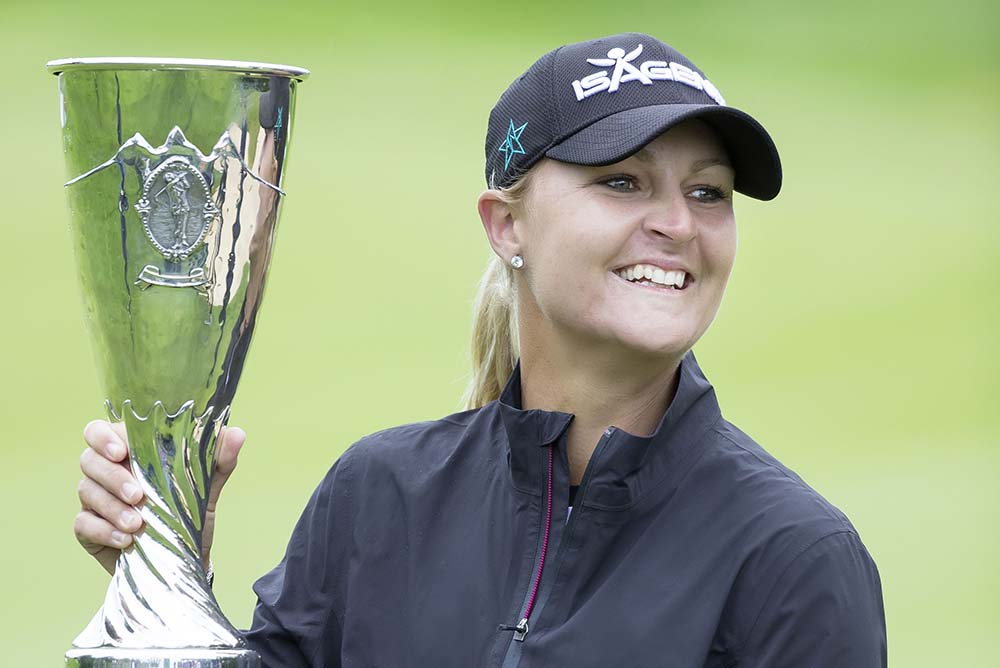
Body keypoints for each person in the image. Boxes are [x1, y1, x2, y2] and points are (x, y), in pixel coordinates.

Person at [74, 32, 888, 667]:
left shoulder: (791, 556)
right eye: (623, 181)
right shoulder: (380, 496)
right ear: (507, 226)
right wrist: (164, 570)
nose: (678, 224)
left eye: (707, 192)